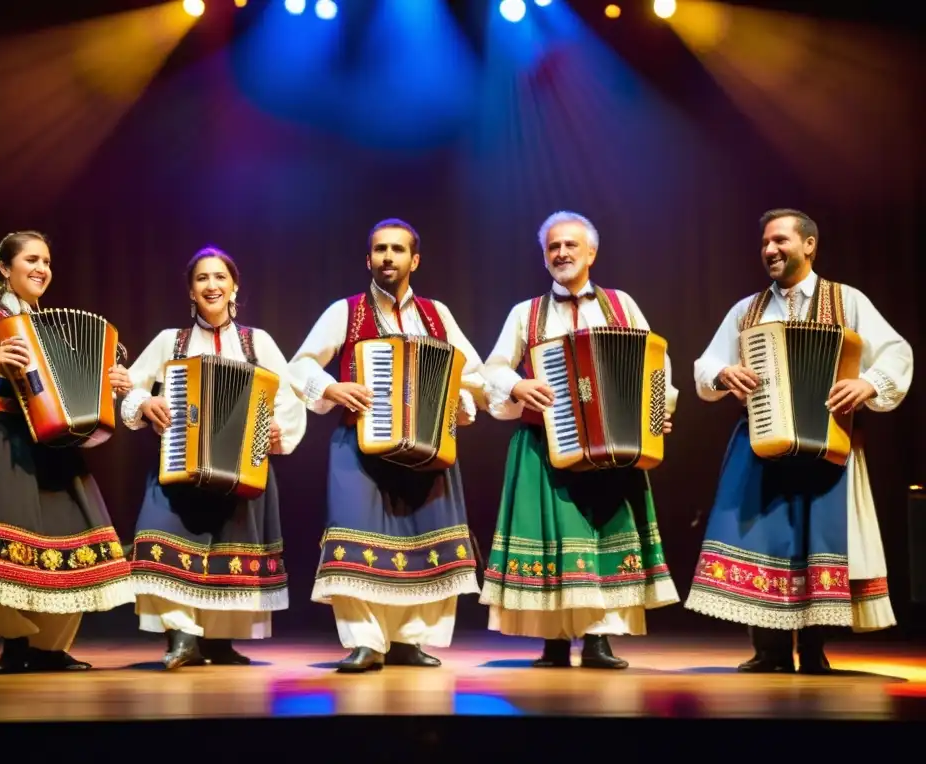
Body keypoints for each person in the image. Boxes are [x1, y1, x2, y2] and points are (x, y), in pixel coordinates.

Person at [684, 208, 913, 673]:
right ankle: (767, 651)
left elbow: (896, 352)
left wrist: (868, 384)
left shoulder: (846, 301)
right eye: (765, 242)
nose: (770, 249)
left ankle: (812, 650)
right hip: (761, 442)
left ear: (809, 244)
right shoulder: (745, 310)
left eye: (781, 240)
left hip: (827, 441)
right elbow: (704, 368)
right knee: (760, 541)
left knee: (818, 541)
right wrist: (725, 372)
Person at [0, 230, 135, 673]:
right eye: (32, 259)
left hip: (53, 447)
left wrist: (110, 388)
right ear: (4, 268)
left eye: (47, 262)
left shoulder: (57, 329)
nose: (41, 269)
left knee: (72, 540)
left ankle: (51, 648)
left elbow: (82, 407)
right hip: (1, 440)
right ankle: (15, 646)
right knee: (8, 540)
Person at [479, 211, 679, 669]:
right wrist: (515, 386)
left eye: (571, 245)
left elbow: (655, 363)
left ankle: (598, 639)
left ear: (591, 252)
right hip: (545, 446)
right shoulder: (524, 313)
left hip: (613, 450)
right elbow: (491, 368)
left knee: (604, 540)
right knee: (553, 542)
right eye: (553, 247)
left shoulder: (621, 304)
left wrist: (654, 415)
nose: (562, 253)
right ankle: (551, 640)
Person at [287, 218, 484, 672]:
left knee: (425, 535)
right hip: (359, 443)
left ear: (414, 260)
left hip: (429, 445)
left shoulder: (438, 314)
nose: (388, 257)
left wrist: (459, 401)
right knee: (355, 534)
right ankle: (365, 642)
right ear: (368, 259)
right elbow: (299, 367)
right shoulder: (347, 311)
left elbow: (473, 376)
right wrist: (332, 388)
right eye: (380, 249)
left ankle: (409, 640)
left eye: (397, 249)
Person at [110, 246, 306, 670]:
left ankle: (218, 642)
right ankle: (181, 637)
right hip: (179, 465)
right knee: (161, 539)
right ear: (190, 291)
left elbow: (288, 399)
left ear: (234, 286)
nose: (212, 285)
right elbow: (128, 387)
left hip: (242, 469)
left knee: (230, 549)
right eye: (202, 278)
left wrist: (277, 431)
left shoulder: (259, 342)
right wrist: (144, 404)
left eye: (220, 277)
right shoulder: (170, 342)